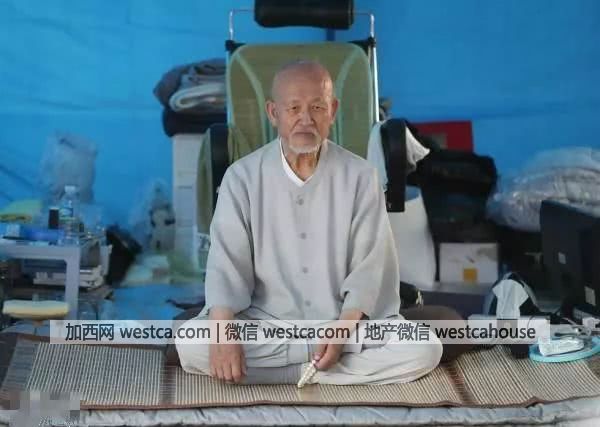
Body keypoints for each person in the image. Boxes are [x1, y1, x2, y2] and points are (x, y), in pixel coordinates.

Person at [176, 60, 453, 386]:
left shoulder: (361, 177)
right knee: (191, 343)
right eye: (293, 108)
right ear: (273, 113)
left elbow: (370, 269)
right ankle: (319, 374)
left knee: (424, 348)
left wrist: (341, 331)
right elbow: (226, 266)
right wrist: (224, 335)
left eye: (317, 107)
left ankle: (290, 373)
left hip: (343, 325)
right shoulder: (242, 177)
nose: (305, 119)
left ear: (332, 111)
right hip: (266, 324)